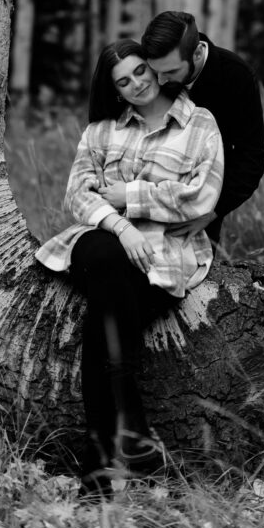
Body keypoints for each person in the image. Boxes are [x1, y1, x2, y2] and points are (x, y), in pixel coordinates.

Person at [35, 39, 223, 499]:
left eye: (141, 71)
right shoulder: (101, 131)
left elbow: (201, 197)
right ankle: (137, 443)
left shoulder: (199, 123)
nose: (137, 83)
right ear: (114, 90)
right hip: (103, 243)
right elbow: (78, 196)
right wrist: (123, 226)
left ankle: (99, 476)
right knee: (103, 254)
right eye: (124, 80)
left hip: (167, 256)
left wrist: (129, 194)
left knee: (104, 331)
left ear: (154, 68)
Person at [141, 10, 264, 247]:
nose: (159, 81)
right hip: (139, 190)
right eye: (155, 71)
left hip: (201, 200)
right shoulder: (151, 64)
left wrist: (212, 211)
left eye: (170, 72)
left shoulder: (236, 77)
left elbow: (252, 156)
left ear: (197, 52)